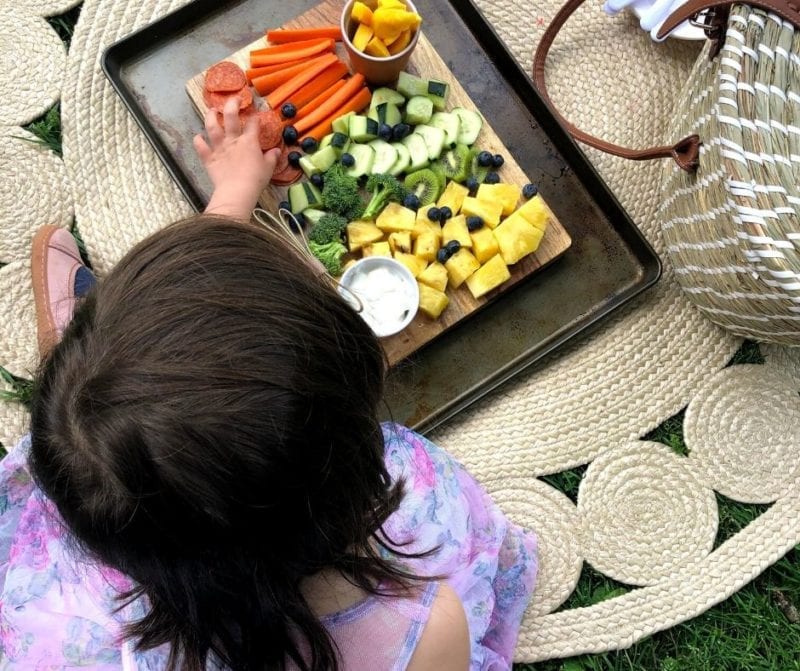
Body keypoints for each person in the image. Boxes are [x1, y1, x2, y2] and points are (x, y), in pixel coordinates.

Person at [0, 98, 538, 670]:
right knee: (441, 517)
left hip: (118, 545)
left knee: (110, 431)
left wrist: (231, 198)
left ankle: (89, 354)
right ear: (354, 464)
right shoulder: (423, 631)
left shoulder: (95, 488)